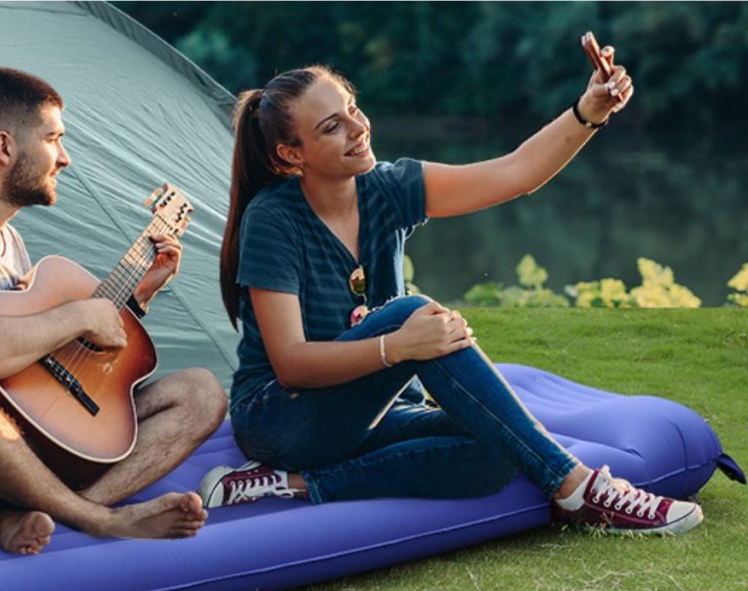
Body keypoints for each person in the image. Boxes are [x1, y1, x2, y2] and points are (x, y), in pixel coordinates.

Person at [199, 46, 703, 536]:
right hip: (285, 419)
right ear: (292, 154)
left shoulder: (389, 188)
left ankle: (293, 487)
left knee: (497, 449)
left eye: (352, 110)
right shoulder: (273, 218)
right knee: (413, 315)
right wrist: (396, 347)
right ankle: (576, 486)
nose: (357, 129)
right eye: (332, 127)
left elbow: (515, 173)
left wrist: (588, 111)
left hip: (374, 416)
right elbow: (291, 362)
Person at [0, 67, 227, 555]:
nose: (65, 158)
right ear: (5, 147)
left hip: (12, 453)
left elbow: (33, 370)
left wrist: (137, 297)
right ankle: (98, 518)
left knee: (200, 392)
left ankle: (33, 513)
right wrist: (77, 315)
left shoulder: (10, 242)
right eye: (54, 138)